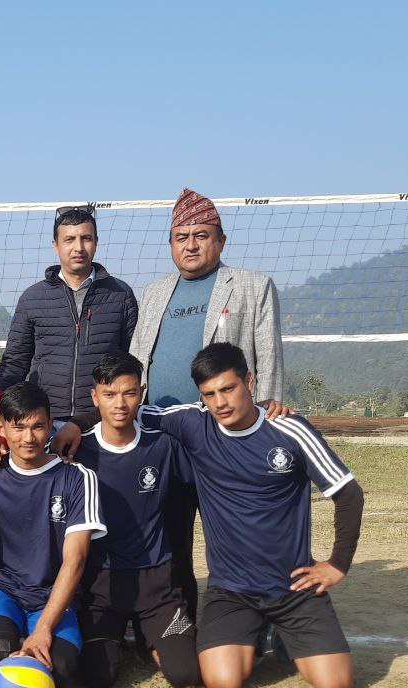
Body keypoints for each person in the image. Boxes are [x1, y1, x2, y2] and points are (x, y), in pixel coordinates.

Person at [138, 343, 364, 688]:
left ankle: (280, 631)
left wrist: (338, 564)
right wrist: (76, 426)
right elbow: (131, 411)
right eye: (209, 394)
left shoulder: (289, 429)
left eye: (228, 388)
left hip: (293, 588)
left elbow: (348, 493)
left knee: (335, 685)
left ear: (249, 381)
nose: (220, 402)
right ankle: (255, 634)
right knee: (223, 682)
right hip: (231, 591)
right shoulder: (194, 423)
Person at [130, 188, 286, 624]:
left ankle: (253, 622)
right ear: (171, 244)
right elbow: (139, 358)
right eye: (181, 237)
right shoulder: (154, 292)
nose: (191, 245)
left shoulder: (253, 286)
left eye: (201, 236)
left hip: (224, 437)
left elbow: (268, 356)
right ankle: (179, 622)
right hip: (163, 436)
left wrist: (268, 417)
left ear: (220, 240)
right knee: (169, 536)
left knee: (237, 534)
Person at [73, 353, 200, 688]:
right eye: (110, 394)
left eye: (129, 393)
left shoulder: (163, 446)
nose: (120, 404)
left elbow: (209, 478)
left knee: (186, 674)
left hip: (157, 583)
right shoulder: (78, 451)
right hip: (101, 585)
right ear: (95, 397)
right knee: (97, 677)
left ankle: (150, 636)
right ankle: (115, 638)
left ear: (141, 394)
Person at [0, 382, 104, 687]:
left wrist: (43, 628)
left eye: (38, 426)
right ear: (1, 428)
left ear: (51, 425)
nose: (28, 438)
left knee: (60, 667)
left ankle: (31, 634)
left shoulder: (77, 477)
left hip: (51, 595)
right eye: (18, 427)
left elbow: (76, 560)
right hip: (0, 589)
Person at [0, 206, 138, 459]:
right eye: (69, 239)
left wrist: (89, 418)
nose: (78, 247)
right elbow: (14, 364)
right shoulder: (33, 297)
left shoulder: (121, 295)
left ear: (96, 242)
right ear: (55, 245)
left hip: (102, 421)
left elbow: (132, 362)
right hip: (42, 423)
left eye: (86, 238)